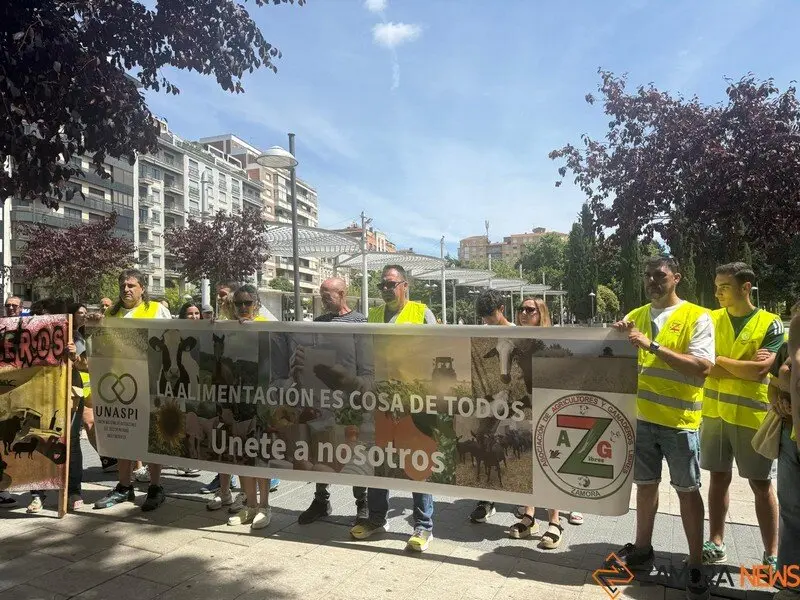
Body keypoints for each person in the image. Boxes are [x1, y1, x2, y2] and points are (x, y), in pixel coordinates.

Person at [610, 256, 714, 600]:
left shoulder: (697, 316)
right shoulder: (634, 316)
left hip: (679, 423)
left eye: (660, 275)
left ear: (677, 278)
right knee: (645, 487)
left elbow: (701, 368)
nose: (653, 280)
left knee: (687, 490)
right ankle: (642, 549)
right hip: (641, 420)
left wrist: (651, 344)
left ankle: (696, 561)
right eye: (648, 275)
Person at [700, 263, 783, 567]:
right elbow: (703, 364)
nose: (717, 292)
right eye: (716, 286)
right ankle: (716, 542)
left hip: (752, 418)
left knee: (761, 485)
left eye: (724, 286)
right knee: (718, 478)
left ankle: (772, 553)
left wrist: (718, 360)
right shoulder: (709, 319)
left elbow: (761, 371)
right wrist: (741, 366)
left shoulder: (770, 322)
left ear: (745, 287)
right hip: (714, 415)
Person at [350, 265, 437, 552]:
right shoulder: (372, 316)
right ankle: (377, 519)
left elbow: (437, 351)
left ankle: (423, 527)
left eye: (391, 284)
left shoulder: (422, 313)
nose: (386, 289)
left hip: (414, 402)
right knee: (379, 461)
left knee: (417, 463)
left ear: (405, 285)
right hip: (381, 401)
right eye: (382, 286)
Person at [501, 297, 585, 546]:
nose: (524, 313)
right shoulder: (515, 344)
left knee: (550, 462)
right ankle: (529, 516)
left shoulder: (552, 342)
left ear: (542, 314)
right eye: (521, 309)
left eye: (530, 310)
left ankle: (555, 521)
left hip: (549, 409)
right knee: (527, 461)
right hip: (523, 409)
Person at [291, 277, 373, 525]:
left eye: (327, 295)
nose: (323, 299)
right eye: (321, 295)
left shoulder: (361, 324)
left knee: (353, 453)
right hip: (323, 401)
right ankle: (320, 500)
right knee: (320, 452)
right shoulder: (318, 323)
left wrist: (355, 385)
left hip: (351, 402)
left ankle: (362, 504)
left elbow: (368, 369)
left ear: (342, 293)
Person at [93, 269, 172, 512]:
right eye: (123, 285)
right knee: (121, 435)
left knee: (152, 436)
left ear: (142, 288)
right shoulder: (113, 312)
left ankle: (156, 487)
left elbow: (170, 340)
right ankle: (124, 487)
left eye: (131, 285)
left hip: (149, 381)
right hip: (119, 383)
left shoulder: (156, 309)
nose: (126, 289)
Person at [226, 285, 272, 530]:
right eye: (239, 303)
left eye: (248, 302)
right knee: (241, 452)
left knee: (260, 453)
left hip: (261, 399)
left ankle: (264, 506)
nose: (243, 308)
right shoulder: (228, 327)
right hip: (236, 398)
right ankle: (250, 505)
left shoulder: (267, 322)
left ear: (257, 302)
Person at [773, 312, 800, 600]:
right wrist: (779, 398)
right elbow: (771, 383)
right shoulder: (787, 344)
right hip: (790, 436)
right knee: (791, 511)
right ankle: (790, 582)